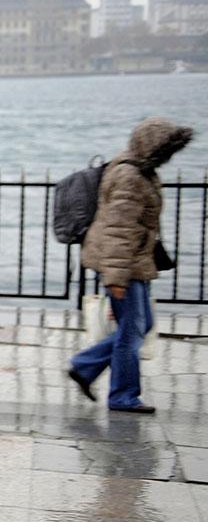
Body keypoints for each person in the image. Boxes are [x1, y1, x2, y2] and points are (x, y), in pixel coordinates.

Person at [68, 117, 193, 414]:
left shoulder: (140, 171)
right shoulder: (130, 175)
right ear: (152, 146)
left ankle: (85, 366)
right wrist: (116, 277)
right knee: (131, 331)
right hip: (126, 264)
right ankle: (122, 395)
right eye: (165, 149)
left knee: (139, 325)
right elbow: (119, 229)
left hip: (133, 260)